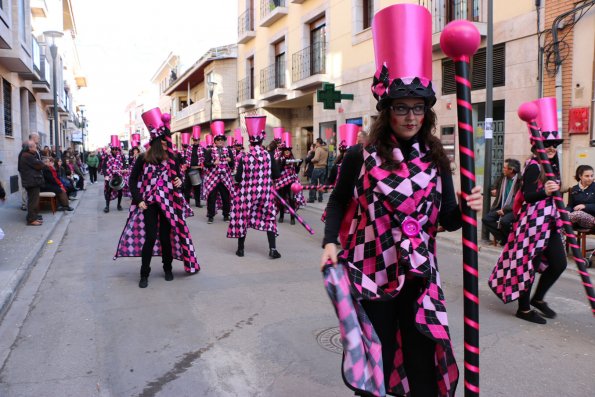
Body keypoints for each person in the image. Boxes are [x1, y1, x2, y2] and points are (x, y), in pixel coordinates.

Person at [320, 5, 482, 396]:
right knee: (377, 355)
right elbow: (339, 202)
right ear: (386, 111)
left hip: (419, 273)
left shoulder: (437, 158)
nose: (410, 116)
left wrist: (468, 208)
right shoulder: (361, 155)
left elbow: (446, 219)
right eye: (401, 108)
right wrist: (329, 242)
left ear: (426, 112)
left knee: (422, 355)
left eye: (418, 108)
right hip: (371, 270)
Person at [489, 120, 567, 324]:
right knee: (528, 265)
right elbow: (529, 195)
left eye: (555, 144)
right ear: (536, 146)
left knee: (559, 263)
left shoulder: (551, 166)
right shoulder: (533, 166)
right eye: (548, 144)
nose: (552, 147)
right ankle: (523, 309)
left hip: (549, 225)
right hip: (532, 224)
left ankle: (538, 298)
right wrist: (545, 191)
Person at [115, 108, 200, 288]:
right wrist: (138, 200)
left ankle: (167, 268)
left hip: (169, 203)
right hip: (150, 204)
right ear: (155, 142)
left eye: (166, 140)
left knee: (165, 237)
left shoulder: (174, 158)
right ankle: (144, 273)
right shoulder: (143, 159)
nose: (166, 143)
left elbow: (180, 179)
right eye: (162, 140)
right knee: (151, 237)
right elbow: (132, 179)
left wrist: (179, 181)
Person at [227, 116, 282, 259]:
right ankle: (273, 249)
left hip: (247, 194)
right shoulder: (269, 156)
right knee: (269, 218)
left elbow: (238, 178)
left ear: (250, 140)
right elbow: (276, 175)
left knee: (243, 218)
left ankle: (240, 249)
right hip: (265, 192)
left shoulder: (244, 157)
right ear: (262, 139)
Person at [481, 159, 522, 245]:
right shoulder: (503, 177)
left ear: (511, 170)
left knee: (504, 221)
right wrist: (494, 189)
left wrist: (505, 210)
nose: (503, 169)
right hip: (501, 206)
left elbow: (517, 200)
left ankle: (509, 240)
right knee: (486, 219)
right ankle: (504, 238)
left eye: (505, 168)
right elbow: (493, 185)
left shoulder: (520, 181)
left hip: (514, 208)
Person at [203, 123, 234, 224]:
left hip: (225, 177)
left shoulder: (228, 150)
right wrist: (213, 163)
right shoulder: (209, 151)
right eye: (218, 139)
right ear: (215, 141)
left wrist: (230, 161)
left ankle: (226, 215)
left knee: (226, 196)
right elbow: (205, 164)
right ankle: (210, 216)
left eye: (222, 140)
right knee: (211, 197)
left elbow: (233, 164)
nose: (220, 141)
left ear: (224, 141)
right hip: (213, 178)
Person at [274, 140, 305, 225]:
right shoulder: (279, 159)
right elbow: (277, 172)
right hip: (281, 182)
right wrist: (282, 165)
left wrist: (298, 165)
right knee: (282, 199)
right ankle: (281, 216)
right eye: (285, 150)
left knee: (291, 199)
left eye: (288, 150)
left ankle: (292, 217)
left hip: (291, 181)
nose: (287, 152)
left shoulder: (293, 160)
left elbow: (296, 171)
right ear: (283, 151)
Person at [18, 140, 46, 226]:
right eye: (34, 146)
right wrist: (41, 162)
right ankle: (31, 220)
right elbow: (40, 165)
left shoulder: (27, 155)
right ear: (29, 148)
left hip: (32, 181)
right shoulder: (27, 156)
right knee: (33, 201)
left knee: (33, 200)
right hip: (32, 181)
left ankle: (33, 217)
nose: (36, 147)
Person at [567, 165, 595, 230]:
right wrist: (567, 211)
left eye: (592, 176)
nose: (590, 178)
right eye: (587, 176)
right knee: (561, 216)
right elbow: (570, 206)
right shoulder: (574, 189)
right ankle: (560, 239)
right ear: (580, 176)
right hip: (575, 219)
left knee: (578, 214)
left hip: (592, 219)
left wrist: (585, 206)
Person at [103, 145, 125, 213]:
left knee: (120, 191)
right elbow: (104, 166)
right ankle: (107, 206)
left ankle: (119, 205)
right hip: (110, 176)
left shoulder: (121, 157)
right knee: (108, 191)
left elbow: (125, 164)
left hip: (118, 176)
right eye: (114, 149)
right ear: (111, 150)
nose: (115, 151)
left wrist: (125, 168)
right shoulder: (107, 157)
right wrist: (106, 175)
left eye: (116, 150)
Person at [184, 134, 204, 208]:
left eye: (197, 140)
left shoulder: (202, 148)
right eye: (194, 140)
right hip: (189, 169)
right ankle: (186, 203)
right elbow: (186, 158)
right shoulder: (189, 148)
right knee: (187, 187)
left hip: (197, 169)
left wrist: (200, 166)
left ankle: (198, 203)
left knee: (197, 187)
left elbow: (204, 159)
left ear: (199, 140)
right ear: (193, 140)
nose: (196, 141)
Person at [308, 138, 328, 203]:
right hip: (324, 168)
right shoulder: (326, 149)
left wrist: (312, 160)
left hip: (317, 168)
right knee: (321, 184)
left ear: (318, 143)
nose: (316, 144)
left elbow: (316, 158)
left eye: (316, 143)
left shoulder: (318, 149)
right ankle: (320, 198)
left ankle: (311, 198)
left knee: (313, 183)